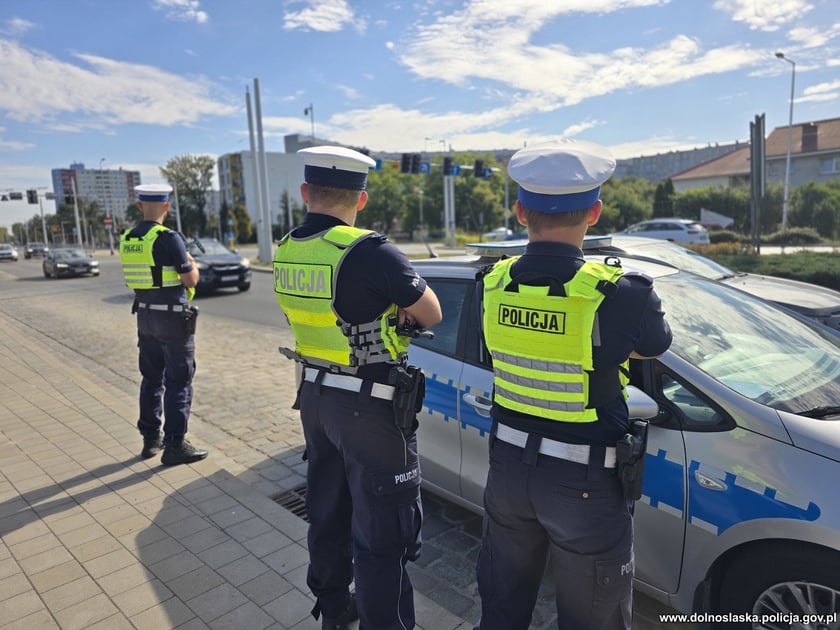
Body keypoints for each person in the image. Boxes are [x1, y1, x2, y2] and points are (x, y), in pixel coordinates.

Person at [473, 140, 673, 630]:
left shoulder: (492, 283)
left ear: (521, 213)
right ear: (595, 213)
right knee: (593, 617)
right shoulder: (621, 293)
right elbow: (653, 346)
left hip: (507, 468)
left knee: (501, 607)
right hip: (584, 481)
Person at [273, 146, 442, 630]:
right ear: (361, 199)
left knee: (327, 510)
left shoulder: (286, 249)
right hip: (370, 408)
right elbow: (431, 312)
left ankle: (333, 608)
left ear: (305, 193)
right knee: (383, 532)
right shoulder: (368, 251)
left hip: (315, 396)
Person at [119, 183, 208, 467]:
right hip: (172, 319)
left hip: (145, 316)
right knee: (179, 380)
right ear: (167, 207)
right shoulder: (169, 238)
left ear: (139, 206)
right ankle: (175, 444)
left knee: (151, 378)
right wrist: (192, 262)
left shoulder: (128, 238)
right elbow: (190, 280)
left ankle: (150, 439)